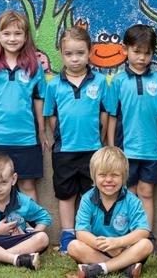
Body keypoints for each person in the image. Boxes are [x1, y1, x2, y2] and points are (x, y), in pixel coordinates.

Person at [43, 27, 109, 253]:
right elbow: (51, 115)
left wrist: (102, 139)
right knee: (66, 194)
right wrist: (60, 136)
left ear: (90, 52)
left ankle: (92, 236)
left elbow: (105, 112)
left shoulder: (99, 81)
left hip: (93, 150)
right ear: (61, 54)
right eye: (69, 54)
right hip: (65, 150)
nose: (74, 59)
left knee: (93, 194)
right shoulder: (53, 84)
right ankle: (67, 237)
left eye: (80, 53)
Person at [106, 24, 157, 249]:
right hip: (126, 150)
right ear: (125, 50)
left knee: (147, 191)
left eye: (147, 53)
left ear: (152, 53)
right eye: (136, 51)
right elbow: (113, 115)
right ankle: (129, 237)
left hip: (151, 149)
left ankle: (146, 236)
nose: (141, 57)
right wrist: (112, 146)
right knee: (128, 193)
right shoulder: (119, 81)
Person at [0, 10, 47, 202]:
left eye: (18, 34)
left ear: (26, 37)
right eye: (7, 34)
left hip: (27, 139)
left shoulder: (34, 66)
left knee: (27, 186)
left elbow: (38, 99)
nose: (12, 38)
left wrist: (41, 131)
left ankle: (33, 229)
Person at [68, 146, 153, 278]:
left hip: (123, 250)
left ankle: (100, 268)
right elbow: (81, 232)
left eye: (114, 175)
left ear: (124, 176)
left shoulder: (132, 200)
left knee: (146, 245)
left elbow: (143, 231)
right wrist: (104, 245)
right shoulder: (87, 199)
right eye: (102, 175)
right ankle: (123, 268)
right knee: (73, 246)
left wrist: (117, 242)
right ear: (93, 176)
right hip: (96, 249)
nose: (108, 180)